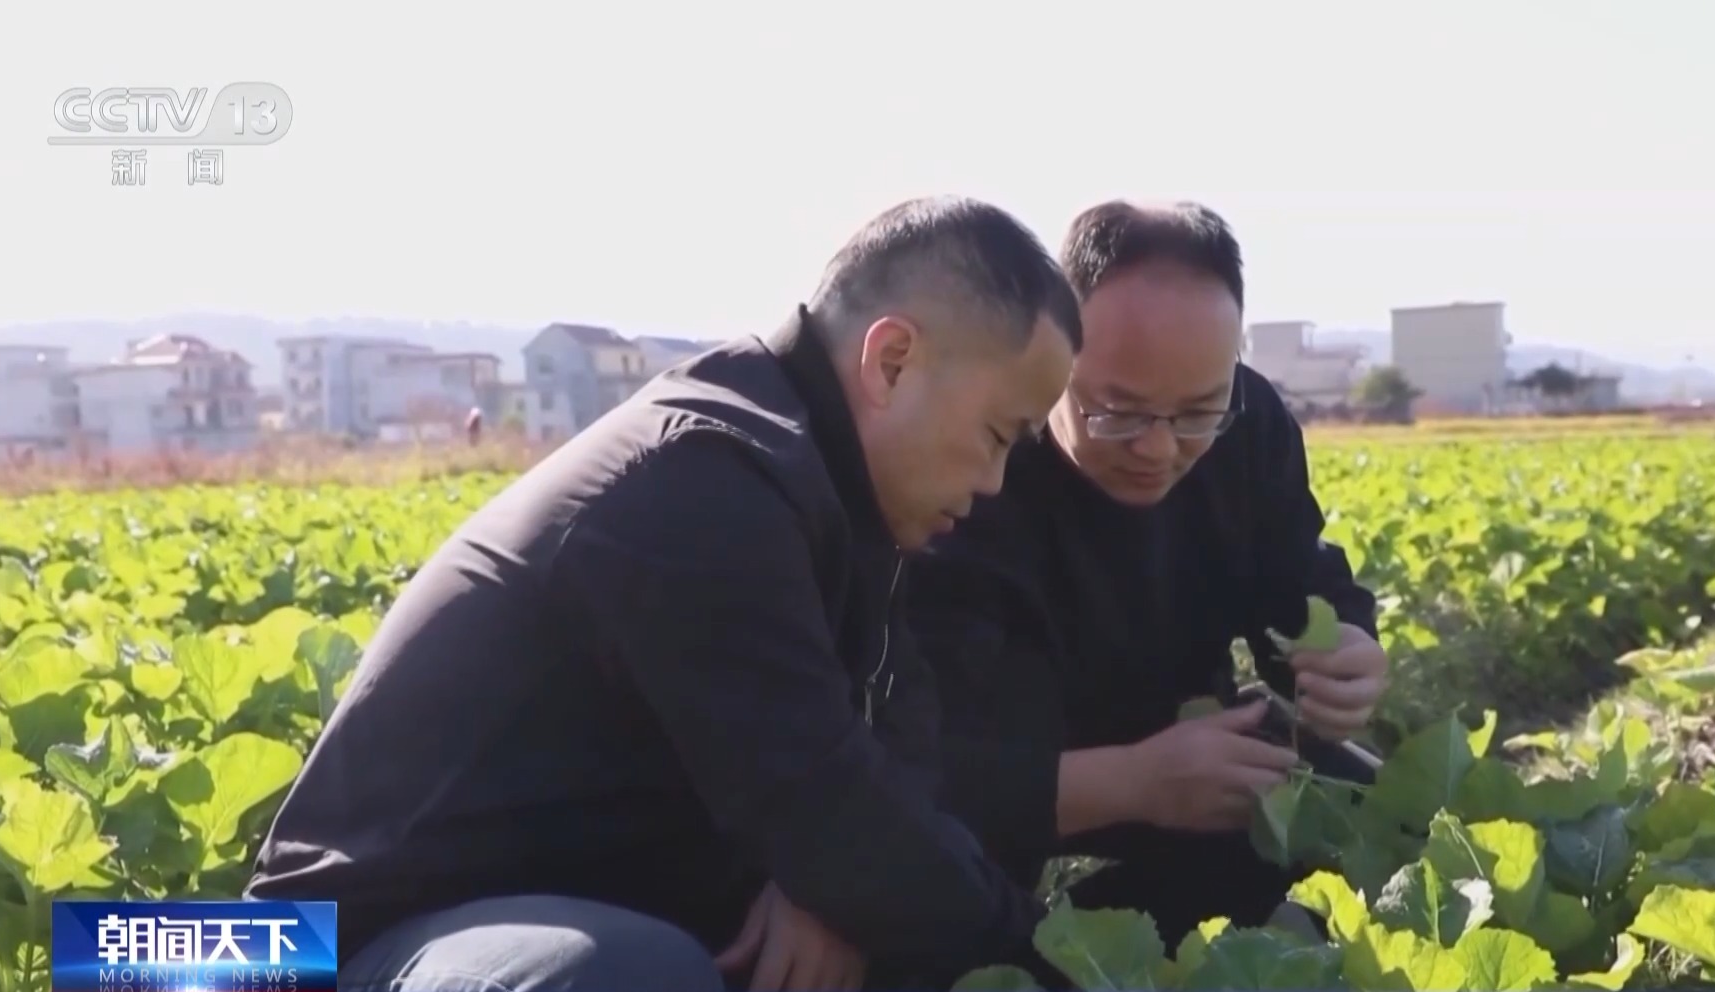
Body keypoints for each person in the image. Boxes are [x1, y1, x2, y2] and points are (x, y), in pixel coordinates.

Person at [244, 196, 1085, 992]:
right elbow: (822, 802)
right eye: (997, 434)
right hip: (315, 949)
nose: (994, 481)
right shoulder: (705, 479)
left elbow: (892, 770)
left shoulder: (835, 497)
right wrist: (1064, 971)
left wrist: (828, 881)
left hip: (520, 915)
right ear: (892, 360)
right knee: (624, 974)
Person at [904, 200, 1391, 966]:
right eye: (1118, 413)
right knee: (947, 937)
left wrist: (1347, 649)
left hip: (1195, 750)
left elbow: (1299, 580)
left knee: (1391, 835)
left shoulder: (1250, 421)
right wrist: (1134, 781)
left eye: (1198, 413)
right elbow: (926, 771)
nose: (1159, 448)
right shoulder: (972, 473)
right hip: (1010, 784)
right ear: (1052, 354)